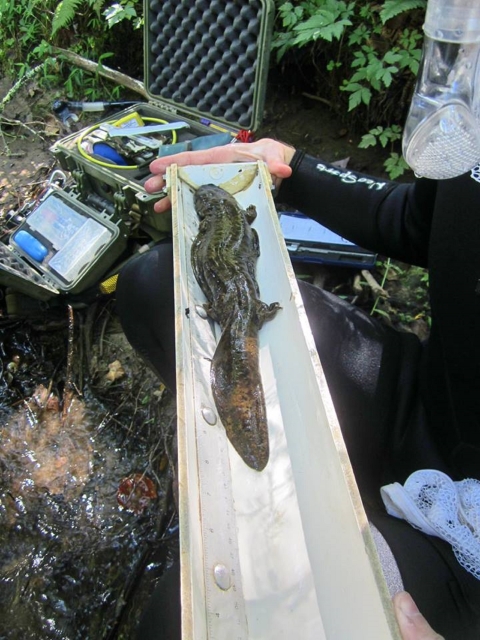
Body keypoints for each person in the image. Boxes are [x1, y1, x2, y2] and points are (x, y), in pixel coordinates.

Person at [115, 1, 480, 637]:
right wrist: (290, 168)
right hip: (429, 400)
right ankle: (273, 483)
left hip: (470, 534)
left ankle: (347, 524)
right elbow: (421, 221)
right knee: (151, 282)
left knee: (193, 621)